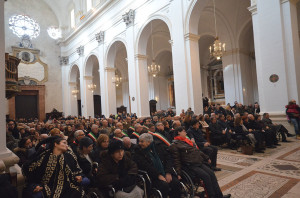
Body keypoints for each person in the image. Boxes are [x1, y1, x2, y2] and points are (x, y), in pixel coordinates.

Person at [170, 127, 231, 198]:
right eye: (184, 131)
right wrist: (178, 173)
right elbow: (176, 160)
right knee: (206, 176)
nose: (186, 133)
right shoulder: (175, 145)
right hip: (189, 166)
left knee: (211, 174)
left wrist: (206, 157)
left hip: (198, 162)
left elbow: (197, 151)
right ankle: (212, 196)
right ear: (178, 132)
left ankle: (219, 196)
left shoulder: (187, 141)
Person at [133, 133, 181, 198]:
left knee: (176, 183)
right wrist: (158, 175)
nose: (139, 143)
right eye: (139, 141)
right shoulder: (138, 152)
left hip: (165, 172)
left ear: (149, 142)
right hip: (152, 176)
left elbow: (168, 159)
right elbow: (146, 166)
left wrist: (168, 172)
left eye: (142, 141)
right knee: (164, 185)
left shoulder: (158, 147)